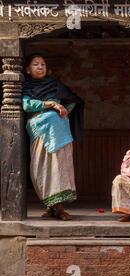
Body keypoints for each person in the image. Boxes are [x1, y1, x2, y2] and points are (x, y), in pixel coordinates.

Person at [22, 54, 84, 221]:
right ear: (28, 69)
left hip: (60, 131)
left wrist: (64, 112)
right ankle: (52, 206)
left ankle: (58, 208)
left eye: (43, 64)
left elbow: (74, 100)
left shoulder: (55, 85)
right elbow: (26, 105)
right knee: (43, 167)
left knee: (60, 166)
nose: (40, 67)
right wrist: (49, 104)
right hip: (39, 132)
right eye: (36, 64)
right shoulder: (24, 87)